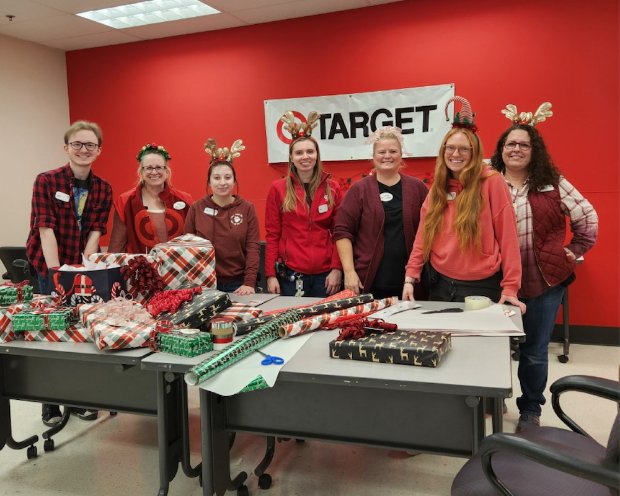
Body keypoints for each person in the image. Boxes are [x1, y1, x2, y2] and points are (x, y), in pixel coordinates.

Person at [491, 102, 598, 432]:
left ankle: (530, 410)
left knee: (534, 351)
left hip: (543, 282)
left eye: (525, 144)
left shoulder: (553, 183)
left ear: (534, 150)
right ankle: (493, 398)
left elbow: (588, 218)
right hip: (495, 282)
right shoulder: (488, 180)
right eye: (511, 144)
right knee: (492, 347)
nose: (517, 149)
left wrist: (573, 250)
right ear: (501, 149)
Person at [402, 96, 525, 313]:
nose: (455, 154)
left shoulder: (491, 182)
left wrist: (511, 287)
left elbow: (508, 237)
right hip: (440, 283)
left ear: (474, 152)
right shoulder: (438, 186)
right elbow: (424, 233)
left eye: (463, 149)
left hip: (481, 286)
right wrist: (410, 276)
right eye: (450, 148)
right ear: (443, 151)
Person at [26, 120, 112, 427]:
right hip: (48, 266)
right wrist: (54, 275)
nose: (83, 150)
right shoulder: (47, 181)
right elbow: (45, 230)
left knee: (79, 333)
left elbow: (95, 232)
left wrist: (84, 268)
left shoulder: (103, 188)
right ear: (67, 148)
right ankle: (50, 404)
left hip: (80, 269)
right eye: (77, 144)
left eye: (90, 145)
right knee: (51, 334)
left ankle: (80, 399)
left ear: (98, 150)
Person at [334, 127, 428, 299]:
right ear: (373, 156)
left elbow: (431, 228)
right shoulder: (359, 190)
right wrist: (349, 272)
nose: (387, 156)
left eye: (393, 151)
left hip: (410, 282)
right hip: (368, 281)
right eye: (381, 151)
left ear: (401, 155)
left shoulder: (418, 188)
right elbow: (342, 232)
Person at [265, 111, 342, 297]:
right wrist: (270, 275)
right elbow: (272, 234)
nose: (305, 156)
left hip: (326, 275)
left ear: (317, 155)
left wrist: (337, 269)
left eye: (310, 151)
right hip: (291, 275)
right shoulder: (278, 189)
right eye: (299, 153)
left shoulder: (333, 188)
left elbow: (340, 233)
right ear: (291, 157)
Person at [184, 139, 260, 295]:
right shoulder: (196, 208)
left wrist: (249, 283)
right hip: (204, 284)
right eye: (217, 178)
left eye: (227, 177)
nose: (222, 182)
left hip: (239, 286)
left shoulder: (247, 208)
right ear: (209, 182)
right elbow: (187, 248)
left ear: (234, 181)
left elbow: (253, 247)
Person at [108, 143, 192, 253]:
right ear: (141, 172)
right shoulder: (125, 201)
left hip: (177, 267)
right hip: (138, 268)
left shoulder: (185, 199)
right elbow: (116, 246)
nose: (154, 172)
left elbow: (193, 242)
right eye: (148, 168)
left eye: (158, 167)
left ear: (166, 171)